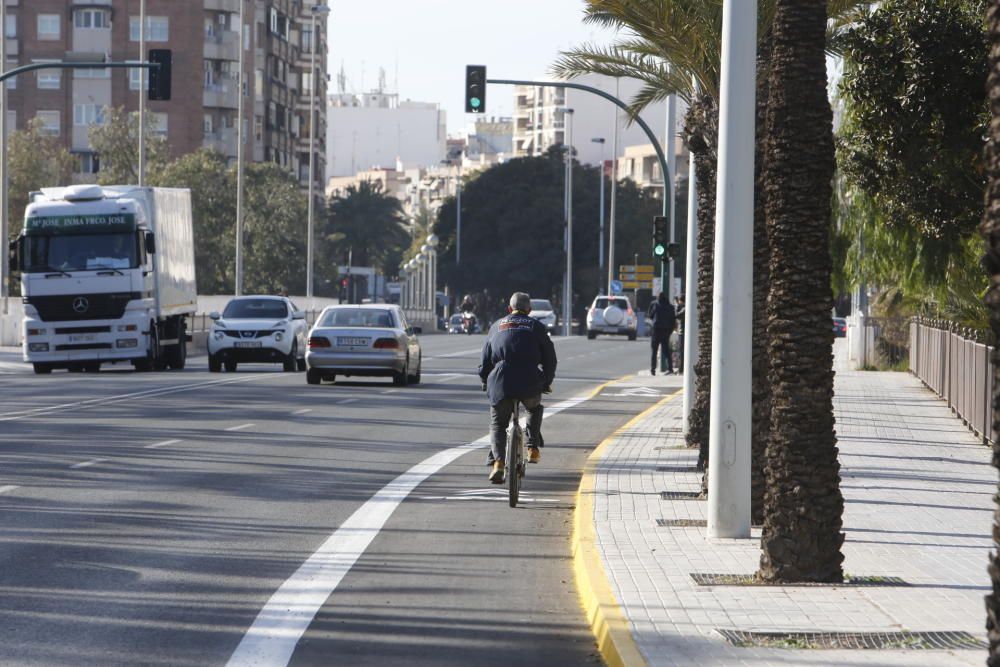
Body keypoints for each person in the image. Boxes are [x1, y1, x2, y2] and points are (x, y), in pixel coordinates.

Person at [478, 292, 558, 484]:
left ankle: (498, 463)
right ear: (529, 310)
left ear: (509, 309)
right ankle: (532, 448)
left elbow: (485, 361)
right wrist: (546, 381)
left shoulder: (496, 326)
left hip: (501, 381)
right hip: (530, 379)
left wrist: (484, 380)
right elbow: (550, 358)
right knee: (533, 408)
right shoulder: (536, 327)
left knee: (498, 424)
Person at [647, 292, 676, 375]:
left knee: (654, 351)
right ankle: (670, 368)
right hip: (666, 330)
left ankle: (653, 369)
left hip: (656, 330)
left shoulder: (654, 304)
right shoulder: (670, 307)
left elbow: (650, 315)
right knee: (666, 350)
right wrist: (670, 331)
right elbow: (673, 321)